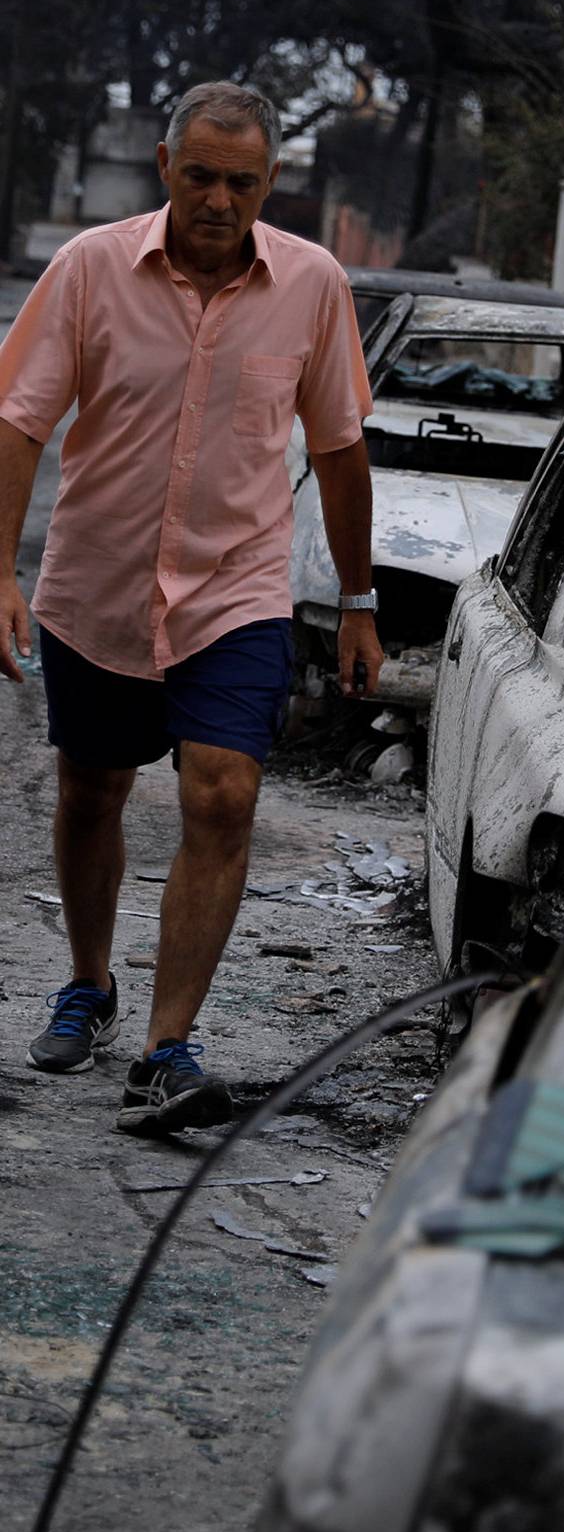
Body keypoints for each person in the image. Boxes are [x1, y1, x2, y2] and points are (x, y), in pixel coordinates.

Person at [0, 82, 383, 1135]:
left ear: (270, 182)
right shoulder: (89, 270)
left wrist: (357, 599)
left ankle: (169, 1050)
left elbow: (341, 449)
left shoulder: (312, 284)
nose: (220, 200)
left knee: (221, 794)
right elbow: (19, 422)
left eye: (243, 182)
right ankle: (88, 984)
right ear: (168, 164)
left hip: (239, 589)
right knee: (92, 791)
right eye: (202, 176)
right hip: (100, 583)